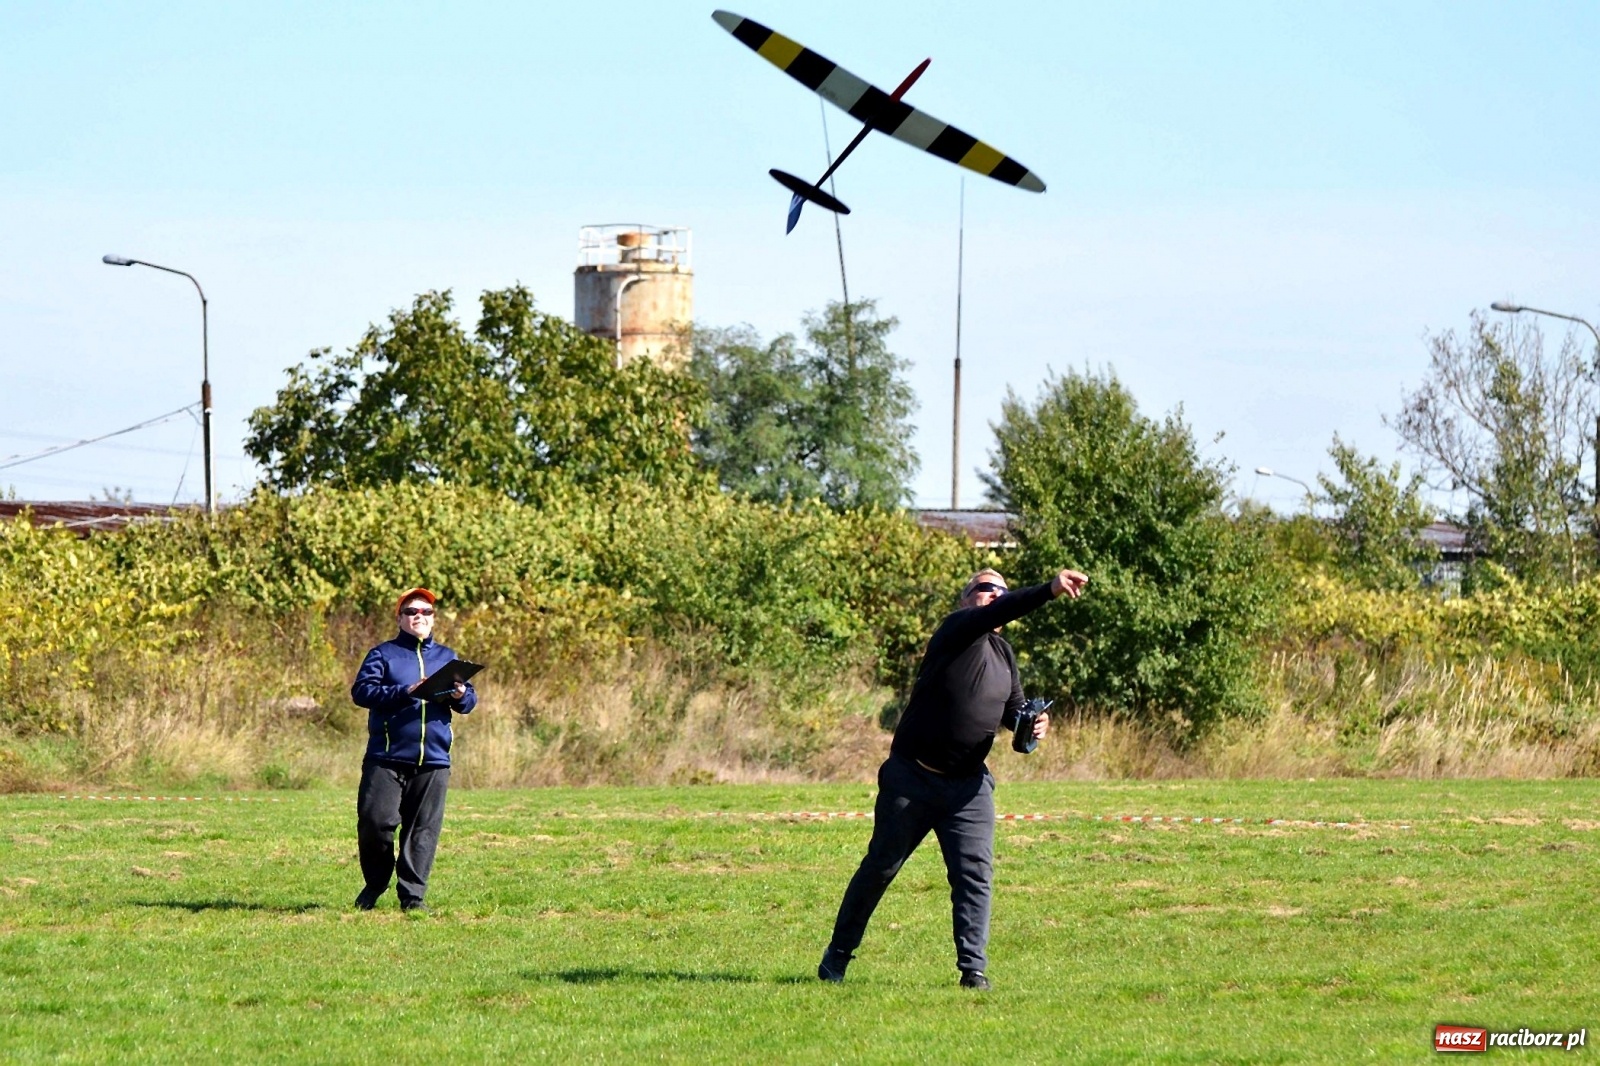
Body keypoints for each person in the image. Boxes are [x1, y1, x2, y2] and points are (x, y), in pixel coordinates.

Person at [818, 565, 1088, 989]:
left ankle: (973, 971)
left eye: (1001, 590)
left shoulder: (1004, 656)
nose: (994, 595)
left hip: (968, 786)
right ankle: (838, 954)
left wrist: (1032, 725)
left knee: (974, 874)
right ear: (966, 599)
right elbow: (1001, 609)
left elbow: (1013, 712)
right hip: (913, 776)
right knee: (881, 867)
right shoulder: (957, 630)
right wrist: (1049, 590)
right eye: (985, 589)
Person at [350, 587, 477, 912]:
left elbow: (470, 702)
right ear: (400, 618)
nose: (419, 616)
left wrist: (461, 695)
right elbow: (362, 692)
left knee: (422, 832)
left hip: (434, 760)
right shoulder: (384, 654)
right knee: (375, 824)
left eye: (426, 611)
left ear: (434, 618)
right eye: (412, 611)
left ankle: (413, 899)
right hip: (386, 758)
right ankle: (376, 882)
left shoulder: (447, 658)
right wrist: (406, 691)